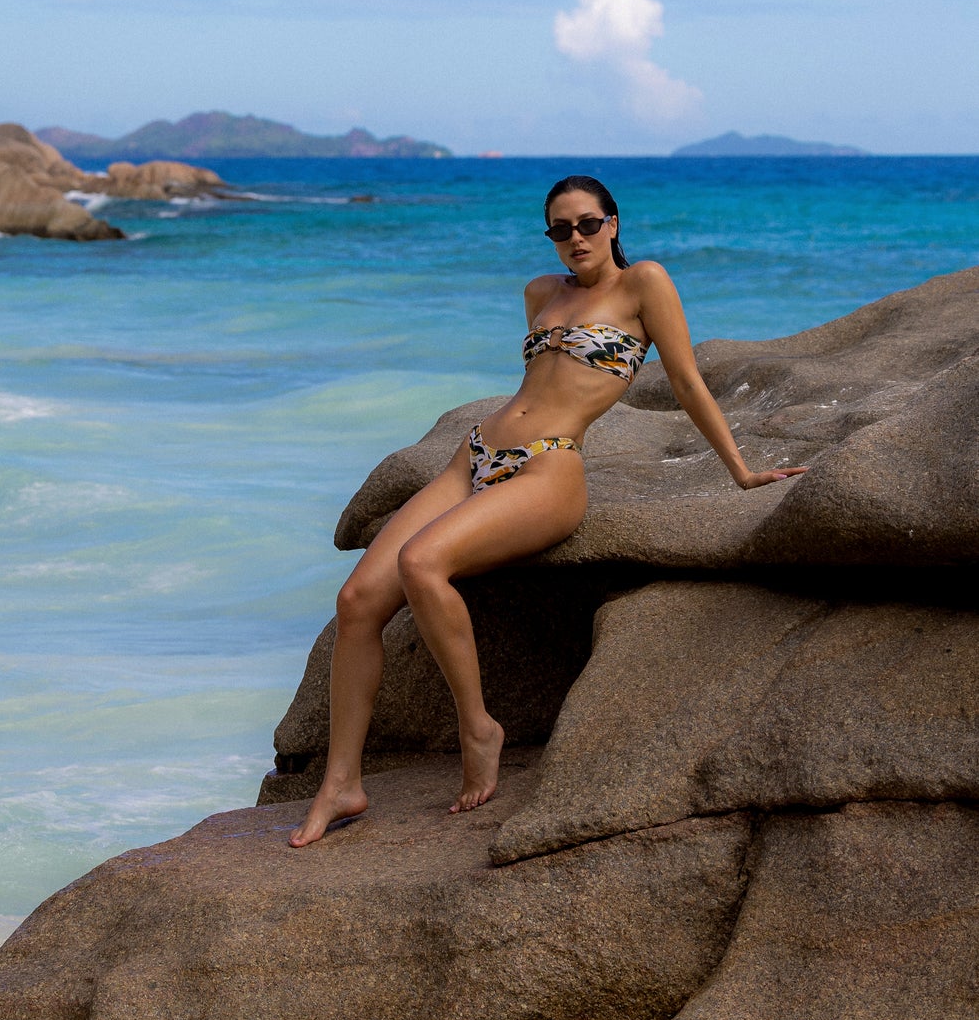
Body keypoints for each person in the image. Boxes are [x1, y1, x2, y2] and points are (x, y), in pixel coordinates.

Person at [289, 174, 807, 848]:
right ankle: (341, 784)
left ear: (612, 224)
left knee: (421, 563)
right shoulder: (540, 292)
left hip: (549, 466)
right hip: (473, 456)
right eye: (560, 229)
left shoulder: (644, 283)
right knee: (357, 600)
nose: (575, 239)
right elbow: (536, 383)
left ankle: (479, 728)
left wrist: (740, 471)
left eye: (587, 224)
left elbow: (684, 380)